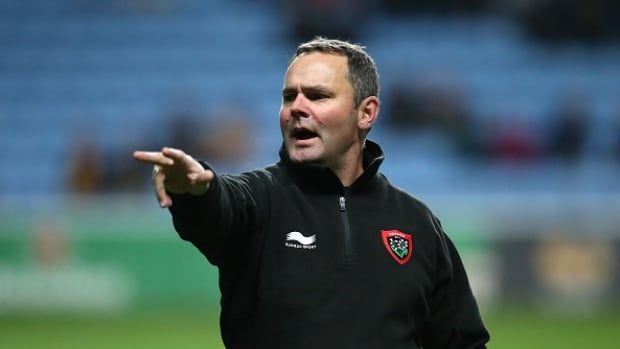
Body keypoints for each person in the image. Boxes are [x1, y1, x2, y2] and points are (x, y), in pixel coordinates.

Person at [133, 37, 489, 349]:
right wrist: (196, 189)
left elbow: (462, 341)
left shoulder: (417, 223)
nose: (297, 108)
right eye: (289, 97)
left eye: (317, 96)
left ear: (366, 113)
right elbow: (218, 209)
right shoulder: (258, 200)